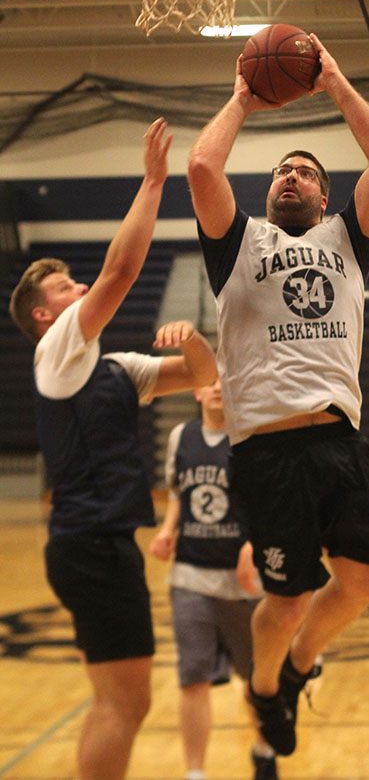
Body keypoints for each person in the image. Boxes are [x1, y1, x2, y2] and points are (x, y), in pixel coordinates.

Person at [186, 33, 369, 757]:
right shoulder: (238, 243)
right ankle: (266, 688)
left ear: (324, 196)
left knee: (365, 583)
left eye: (305, 173)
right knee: (283, 600)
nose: (291, 177)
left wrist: (334, 79)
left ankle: (304, 662)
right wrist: (246, 96)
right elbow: (200, 164)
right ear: (268, 191)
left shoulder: (348, 242)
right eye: (281, 171)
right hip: (268, 449)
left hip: (338, 439)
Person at [8, 117, 217, 780]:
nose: (78, 295)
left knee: (119, 701)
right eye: (65, 290)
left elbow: (203, 378)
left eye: (75, 287)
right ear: (45, 315)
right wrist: (153, 182)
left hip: (96, 545)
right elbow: (121, 270)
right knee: (124, 702)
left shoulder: (113, 368)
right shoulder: (56, 351)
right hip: (90, 545)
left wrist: (191, 339)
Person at [149, 378, 278, 780]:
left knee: (256, 679)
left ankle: (265, 748)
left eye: (226, 380)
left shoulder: (252, 436)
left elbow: (272, 500)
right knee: (193, 678)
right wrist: (168, 530)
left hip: (244, 582)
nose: (219, 387)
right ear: (197, 392)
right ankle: (195, 772)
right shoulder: (180, 437)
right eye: (210, 382)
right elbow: (177, 494)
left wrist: (254, 544)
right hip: (190, 574)